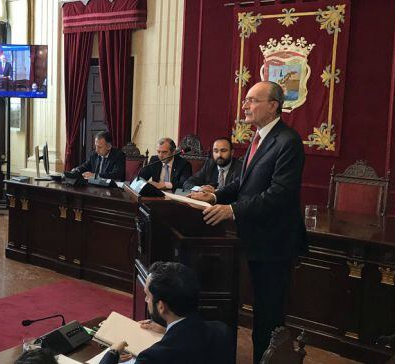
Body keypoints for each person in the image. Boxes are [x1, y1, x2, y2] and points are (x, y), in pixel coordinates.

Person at [189, 81, 306, 364]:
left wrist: (232, 210)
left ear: (273, 105)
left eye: (252, 100)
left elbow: (278, 194)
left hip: (274, 244)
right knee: (259, 316)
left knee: (269, 317)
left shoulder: (288, 141)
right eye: (246, 100)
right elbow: (244, 183)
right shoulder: (258, 138)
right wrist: (215, 196)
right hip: (253, 240)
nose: (245, 106)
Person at [101, 261, 232, 364]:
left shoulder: (153, 357)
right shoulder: (221, 330)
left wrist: (112, 354)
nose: (146, 300)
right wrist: (167, 332)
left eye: (147, 295)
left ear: (161, 306)